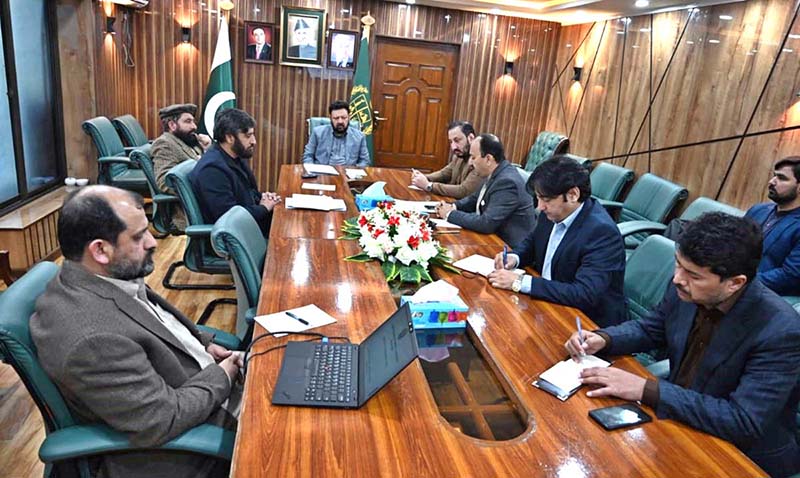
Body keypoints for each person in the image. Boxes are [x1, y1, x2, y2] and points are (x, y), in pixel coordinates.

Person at [565, 212, 800, 477]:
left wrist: (646, 389)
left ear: (735, 283)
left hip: (740, 456)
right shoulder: (685, 287)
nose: (677, 278)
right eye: (678, 264)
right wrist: (604, 338)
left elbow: (742, 421)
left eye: (693, 275)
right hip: (679, 420)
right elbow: (651, 328)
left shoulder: (780, 330)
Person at [31, 185, 242, 478]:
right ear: (100, 249)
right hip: (184, 443)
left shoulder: (101, 276)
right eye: (138, 236)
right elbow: (162, 419)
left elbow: (154, 321)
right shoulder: (93, 339)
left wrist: (202, 345)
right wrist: (224, 374)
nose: (153, 242)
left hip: (201, 386)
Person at [488, 155, 626, 327]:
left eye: (546, 200)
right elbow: (533, 241)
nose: (540, 207)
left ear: (573, 194)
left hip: (585, 324)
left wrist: (519, 282)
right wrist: (514, 257)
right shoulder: (553, 212)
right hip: (547, 304)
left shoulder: (602, 233)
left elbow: (584, 293)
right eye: (539, 198)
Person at [190, 108, 280, 236]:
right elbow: (228, 217)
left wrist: (264, 199)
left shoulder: (235, 156)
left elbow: (249, 193)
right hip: (238, 236)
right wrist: (263, 208)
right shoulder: (212, 170)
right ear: (229, 138)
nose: (253, 141)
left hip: (250, 224)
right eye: (248, 136)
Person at [435, 134, 535, 249]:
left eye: (473, 157)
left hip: (508, 250)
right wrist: (452, 206)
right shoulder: (497, 172)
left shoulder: (507, 182)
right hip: (492, 240)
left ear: (488, 159)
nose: (470, 163)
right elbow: (474, 199)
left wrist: (449, 214)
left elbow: (486, 223)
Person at [745, 156, 800, 296]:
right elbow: (731, 242)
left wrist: (739, 282)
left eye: (781, 178)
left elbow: (790, 276)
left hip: (762, 293)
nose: (771, 182)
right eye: (774, 176)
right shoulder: (758, 210)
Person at [151, 103, 211, 230]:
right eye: (188, 122)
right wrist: (202, 188)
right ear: (172, 125)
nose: (194, 126)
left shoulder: (187, 141)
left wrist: (207, 150)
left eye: (193, 122)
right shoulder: (164, 144)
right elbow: (163, 182)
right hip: (190, 212)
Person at [410, 121, 483, 199]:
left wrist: (429, 186)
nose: (453, 147)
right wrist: (422, 177)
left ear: (471, 138)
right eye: (451, 142)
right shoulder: (458, 156)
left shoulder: (480, 161)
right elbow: (444, 174)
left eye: (457, 140)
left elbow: (463, 191)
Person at [302, 100, 370, 167]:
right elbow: (308, 156)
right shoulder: (317, 133)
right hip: (322, 174)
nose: (340, 121)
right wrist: (312, 170)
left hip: (348, 174)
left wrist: (354, 171)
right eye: (336, 118)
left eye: (343, 118)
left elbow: (365, 161)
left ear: (349, 117)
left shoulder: (360, 136)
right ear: (330, 118)